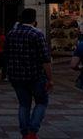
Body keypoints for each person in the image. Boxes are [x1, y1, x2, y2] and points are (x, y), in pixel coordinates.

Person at [5, 8, 53, 139]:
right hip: (35, 76)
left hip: (16, 76)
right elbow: (45, 58)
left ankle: (25, 133)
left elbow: (7, 55)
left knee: (24, 104)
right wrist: (50, 78)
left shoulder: (11, 34)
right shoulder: (36, 35)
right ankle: (32, 131)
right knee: (42, 102)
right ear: (34, 20)